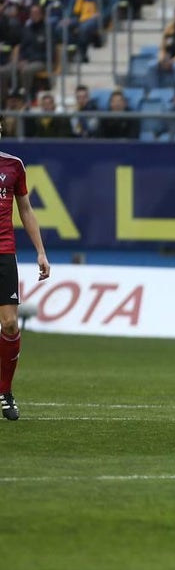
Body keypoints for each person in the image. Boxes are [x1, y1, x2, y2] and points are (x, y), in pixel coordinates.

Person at [0, 132, 51, 420]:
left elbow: (26, 210)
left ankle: (5, 391)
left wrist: (41, 252)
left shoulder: (13, 166)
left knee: (9, 324)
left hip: (4, 253)